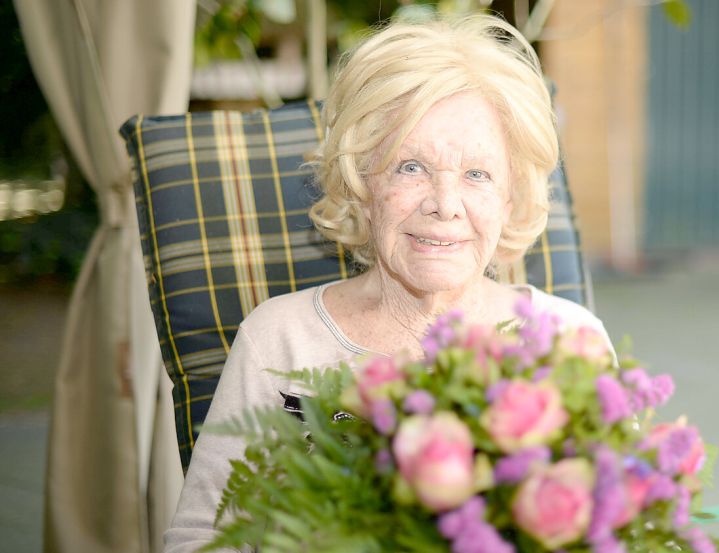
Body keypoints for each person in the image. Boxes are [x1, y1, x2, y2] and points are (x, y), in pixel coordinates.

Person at [164, 13, 612, 552]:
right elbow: (202, 538)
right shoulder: (278, 338)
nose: (444, 205)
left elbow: (630, 531)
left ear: (510, 198)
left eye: (477, 174)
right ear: (360, 180)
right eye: (410, 167)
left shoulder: (569, 341)